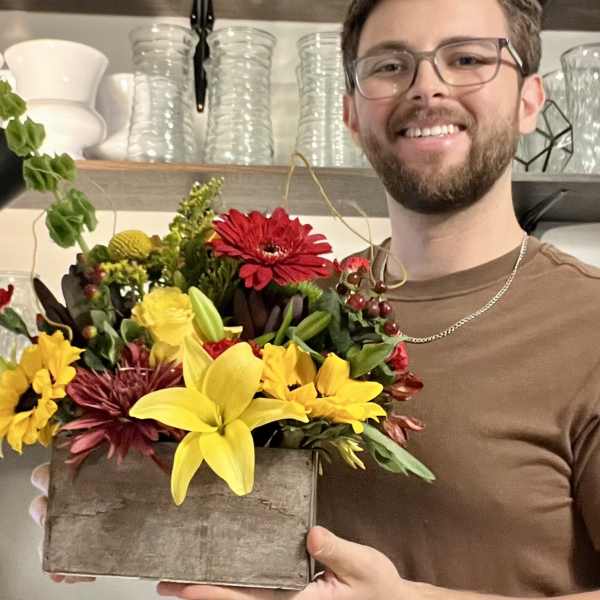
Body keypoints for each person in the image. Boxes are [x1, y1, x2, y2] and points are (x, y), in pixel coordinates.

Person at [29, 0, 600, 598]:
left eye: (467, 59)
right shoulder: (280, 315)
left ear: (530, 100)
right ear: (351, 112)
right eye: (390, 66)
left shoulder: (587, 325)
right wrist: (111, 501)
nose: (426, 87)